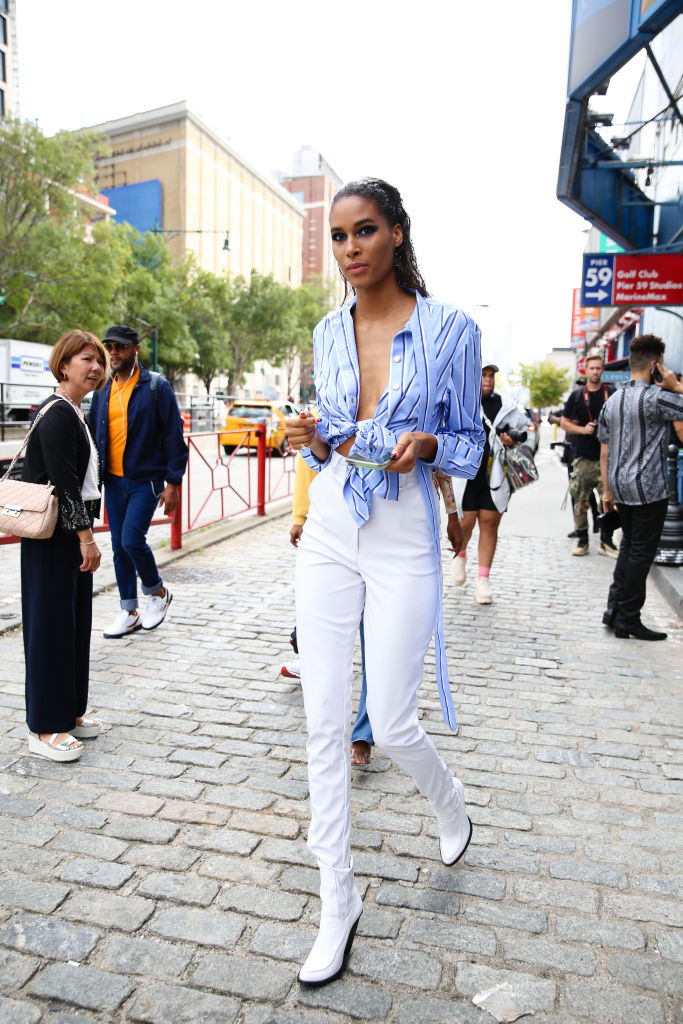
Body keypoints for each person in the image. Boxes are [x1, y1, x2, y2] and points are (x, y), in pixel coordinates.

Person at [285, 178, 484, 987]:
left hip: (403, 530)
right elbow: (327, 445)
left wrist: (427, 444)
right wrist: (313, 437)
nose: (349, 249)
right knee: (325, 721)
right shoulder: (327, 330)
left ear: (396, 234)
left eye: (364, 231)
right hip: (333, 523)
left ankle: (450, 803)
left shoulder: (450, 330)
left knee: (394, 722)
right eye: (338, 237)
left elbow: (472, 444)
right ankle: (338, 898)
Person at [22, 330, 107, 762]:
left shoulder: (76, 410)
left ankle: (70, 712)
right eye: (86, 360)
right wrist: (86, 538)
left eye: (99, 362)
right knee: (50, 627)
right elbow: (66, 485)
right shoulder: (56, 413)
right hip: (55, 537)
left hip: (70, 534)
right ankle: (44, 725)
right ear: (64, 364)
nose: (95, 368)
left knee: (73, 624)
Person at [88, 325, 188, 638]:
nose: (114, 353)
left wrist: (173, 483)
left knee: (132, 539)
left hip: (146, 480)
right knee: (119, 546)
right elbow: (93, 437)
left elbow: (173, 436)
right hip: (113, 482)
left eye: (120, 347)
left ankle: (157, 594)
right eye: (110, 347)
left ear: (136, 349)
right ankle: (128, 610)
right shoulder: (102, 390)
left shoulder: (156, 387)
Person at [598, 334, 683, 640]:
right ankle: (628, 619)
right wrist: (676, 386)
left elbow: (604, 451)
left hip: (620, 486)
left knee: (630, 547)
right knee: (640, 553)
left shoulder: (612, 401)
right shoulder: (659, 397)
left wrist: (607, 491)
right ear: (656, 364)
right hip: (649, 488)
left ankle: (614, 610)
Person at [451, 361, 532, 603]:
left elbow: (524, 435)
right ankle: (460, 555)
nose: (487, 379)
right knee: (466, 522)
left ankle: (483, 580)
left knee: (489, 524)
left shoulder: (505, 405)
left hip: (494, 473)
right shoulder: (462, 402)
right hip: (466, 473)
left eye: (491, 375)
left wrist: (511, 441)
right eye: (483, 374)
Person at [561, 353, 617, 557]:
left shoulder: (611, 393)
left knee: (607, 501)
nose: (595, 372)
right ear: (586, 370)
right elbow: (564, 421)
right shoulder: (577, 396)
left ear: (602, 370)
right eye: (592, 368)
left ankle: (606, 541)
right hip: (583, 456)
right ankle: (583, 541)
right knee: (580, 501)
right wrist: (583, 430)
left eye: (598, 368)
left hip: (607, 458)